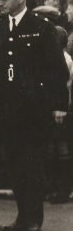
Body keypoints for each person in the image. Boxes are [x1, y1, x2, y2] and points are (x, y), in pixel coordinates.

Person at [0, 0, 69, 231]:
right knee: (15, 163)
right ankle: (22, 217)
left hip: (35, 109)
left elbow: (56, 70)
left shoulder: (41, 28)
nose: (0, 3)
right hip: (9, 110)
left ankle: (34, 220)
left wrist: (58, 106)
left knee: (32, 164)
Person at [45, 25, 73, 204]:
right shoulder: (65, 58)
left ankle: (62, 189)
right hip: (63, 107)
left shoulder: (63, 60)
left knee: (60, 149)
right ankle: (60, 187)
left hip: (61, 109)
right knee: (58, 148)